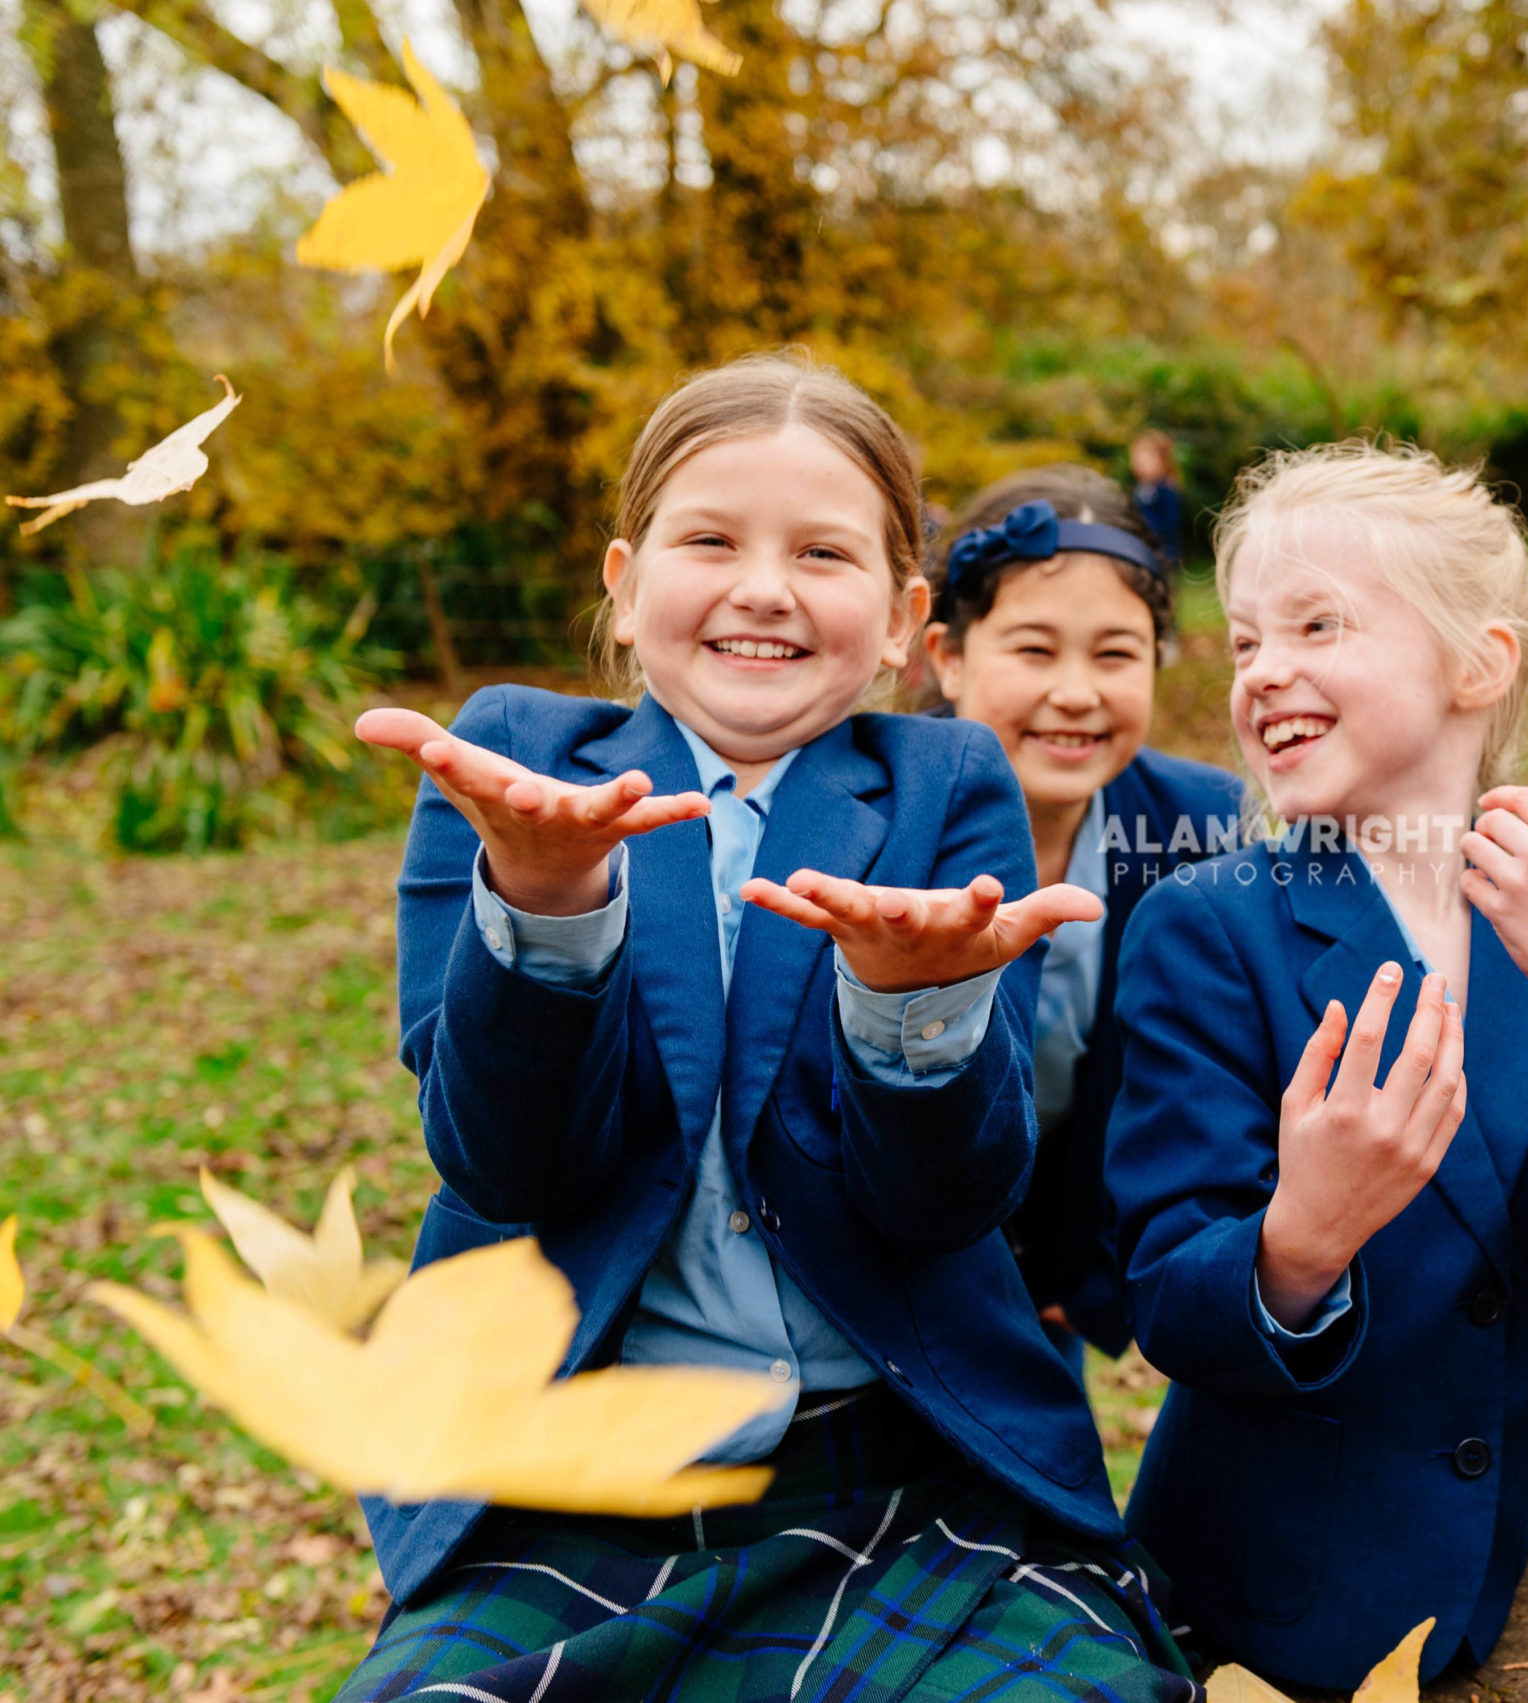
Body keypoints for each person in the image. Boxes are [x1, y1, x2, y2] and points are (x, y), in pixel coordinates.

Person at [340, 352, 1192, 1702]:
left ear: (907, 619)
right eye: (711, 539)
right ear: (625, 585)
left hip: (904, 1463)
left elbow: (948, 1199)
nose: (763, 585)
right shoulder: (512, 766)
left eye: (824, 552)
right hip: (574, 1474)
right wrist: (548, 906)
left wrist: (910, 1003)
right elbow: (508, 1167)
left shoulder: (945, 783)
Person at [1105, 442, 1528, 1686]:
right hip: (1263, 1610)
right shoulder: (1211, 926)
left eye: (1316, 623)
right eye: (1244, 642)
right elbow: (1167, 1303)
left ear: (1476, 663)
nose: (1264, 670)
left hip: (1481, 1590)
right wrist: (1302, 1237)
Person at [918, 463, 1245, 1371]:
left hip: (1066, 1265)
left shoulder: (1205, 826)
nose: (1076, 691)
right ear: (948, 657)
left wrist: (1093, 1266)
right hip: (893, 1266)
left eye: (1114, 654)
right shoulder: (886, 820)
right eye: (1032, 650)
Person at [1129, 430, 1184, 571]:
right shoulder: (1140, 488)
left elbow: (1170, 522)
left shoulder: (1165, 489)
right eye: (1138, 459)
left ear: (1163, 460)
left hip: (1163, 552)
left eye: (1148, 458)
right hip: (1143, 548)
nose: (1141, 463)